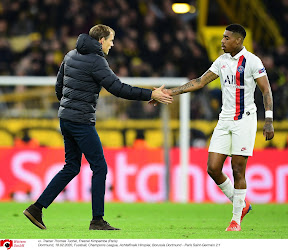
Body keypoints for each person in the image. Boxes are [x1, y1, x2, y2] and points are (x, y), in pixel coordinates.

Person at [23, 24, 173, 231]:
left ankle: (36, 208)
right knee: (99, 167)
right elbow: (118, 89)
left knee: (72, 166)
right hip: (80, 121)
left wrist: (69, 105)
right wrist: (150, 94)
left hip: (65, 117)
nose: (112, 45)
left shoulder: (70, 55)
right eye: (111, 40)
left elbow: (59, 88)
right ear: (101, 40)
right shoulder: (96, 61)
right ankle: (97, 220)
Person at [151, 24, 275, 231]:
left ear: (238, 40)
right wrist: (169, 93)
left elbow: (266, 90)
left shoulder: (253, 62)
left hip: (245, 119)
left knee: (237, 169)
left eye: (226, 38)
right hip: (224, 119)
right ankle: (242, 204)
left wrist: (269, 120)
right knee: (213, 168)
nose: (222, 41)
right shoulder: (222, 61)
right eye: (222, 37)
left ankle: (235, 220)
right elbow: (199, 82)